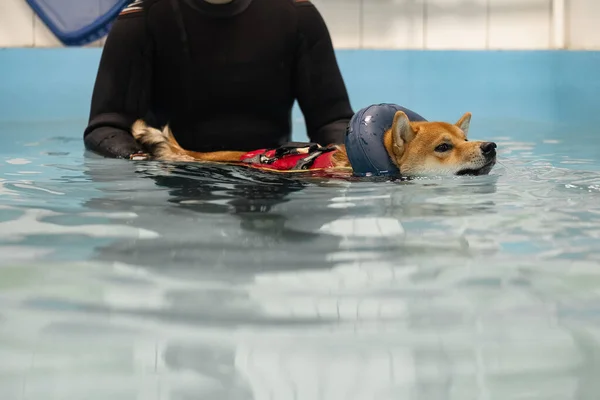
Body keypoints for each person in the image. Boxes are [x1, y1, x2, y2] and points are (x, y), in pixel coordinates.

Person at [83, 0, 354, 159]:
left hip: (270, 179)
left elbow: (331, 120)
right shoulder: (141, 20)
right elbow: (107, 127)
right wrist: (140, 160)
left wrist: (359, 155)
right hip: (171, 185)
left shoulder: (297, 16)